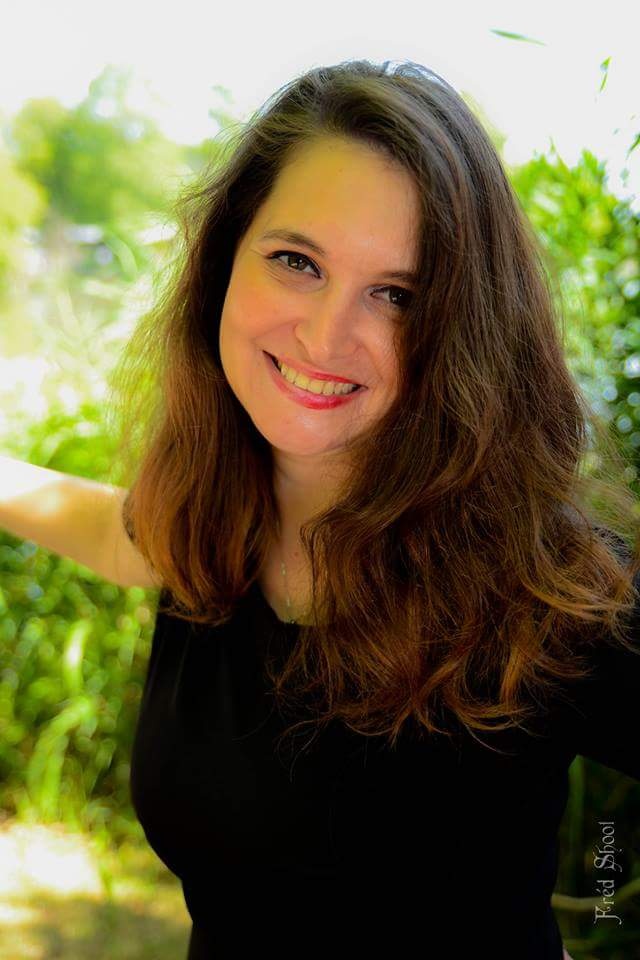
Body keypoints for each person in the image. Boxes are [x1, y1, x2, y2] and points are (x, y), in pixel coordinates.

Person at [2, 58, 638, 959]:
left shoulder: (544, 590)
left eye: (397, 295)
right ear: (222, 260)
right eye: (297, 261)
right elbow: (116, 532)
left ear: (463, 329)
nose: (326, 334)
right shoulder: (215, 519)